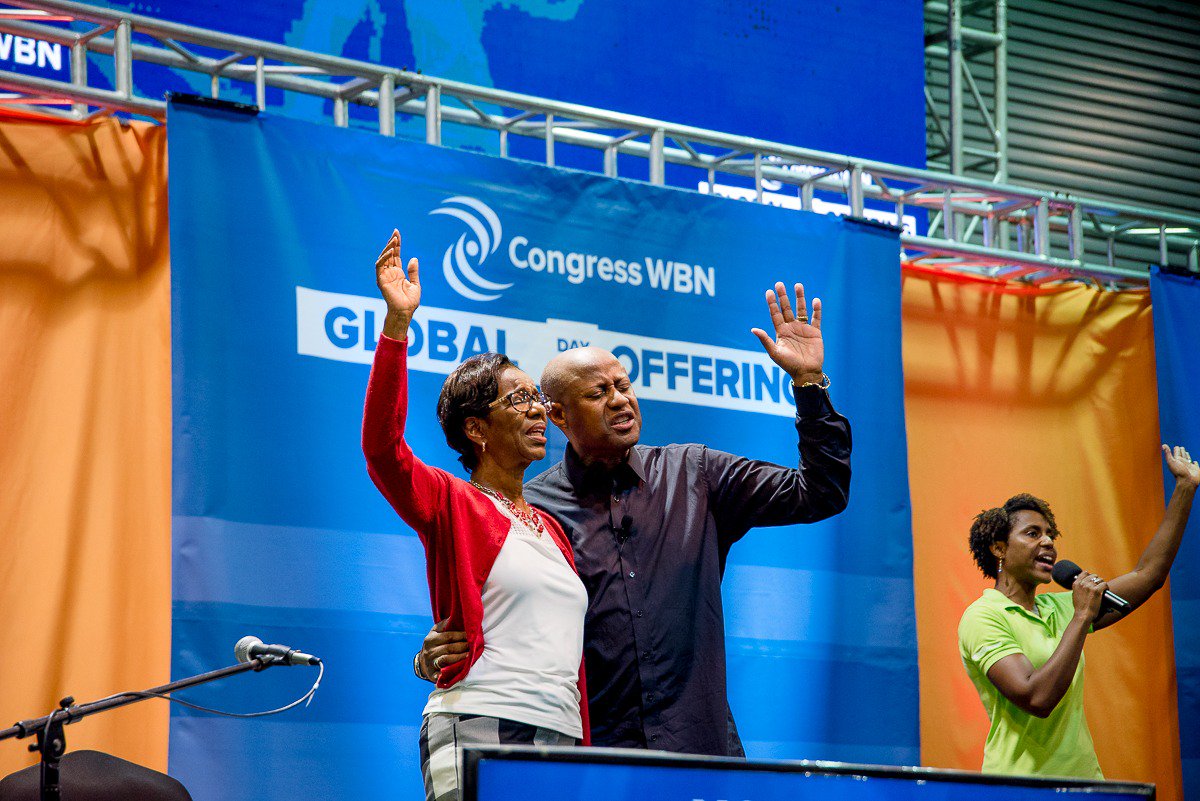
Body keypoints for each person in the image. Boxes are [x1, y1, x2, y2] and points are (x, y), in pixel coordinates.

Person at [419, 281, 852, 756]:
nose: (620, 400)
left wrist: (809, 384)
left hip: (700, 750)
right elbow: (497, 617)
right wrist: (431, 656)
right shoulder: (534, 512)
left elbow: (820, 493)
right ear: (558, 415)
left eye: (624, 386)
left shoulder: (694, 473)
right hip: (595, 759)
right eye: (598, 392)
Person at [362, 230, 589, 801]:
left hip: (563, 734)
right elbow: (383, 451)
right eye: (518, 399)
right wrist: (397, 325)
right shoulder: (451, 501)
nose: (537, 410)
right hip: (480, 720)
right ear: (476, 429)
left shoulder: (553, 529)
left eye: (537, 397)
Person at [958, 445, 1199, 778]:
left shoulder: (1059, 607)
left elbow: (1149, 575)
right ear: (999, 548)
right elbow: (1037, 699)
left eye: (1050, 534)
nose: (1048, 543)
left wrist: (1185, 489)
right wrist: (1082, 617)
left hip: (1084, 782)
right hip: (1020, 786)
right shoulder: (984, 616)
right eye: (1032, 534)